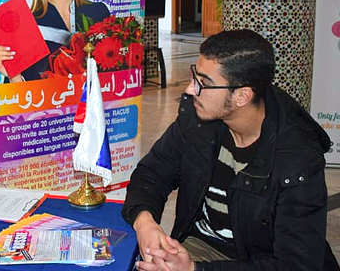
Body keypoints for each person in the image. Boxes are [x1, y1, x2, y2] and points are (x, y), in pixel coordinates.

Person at [122, 29, 339, 271]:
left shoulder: (297, 157)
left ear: (242, 96)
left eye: (204, 83)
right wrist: (145, 223)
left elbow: (297, 264)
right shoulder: (196, 121)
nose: (190, 90)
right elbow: (152, 173)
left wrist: (195, 270)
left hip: (262, 262)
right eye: (195, 77)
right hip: (203, 247)